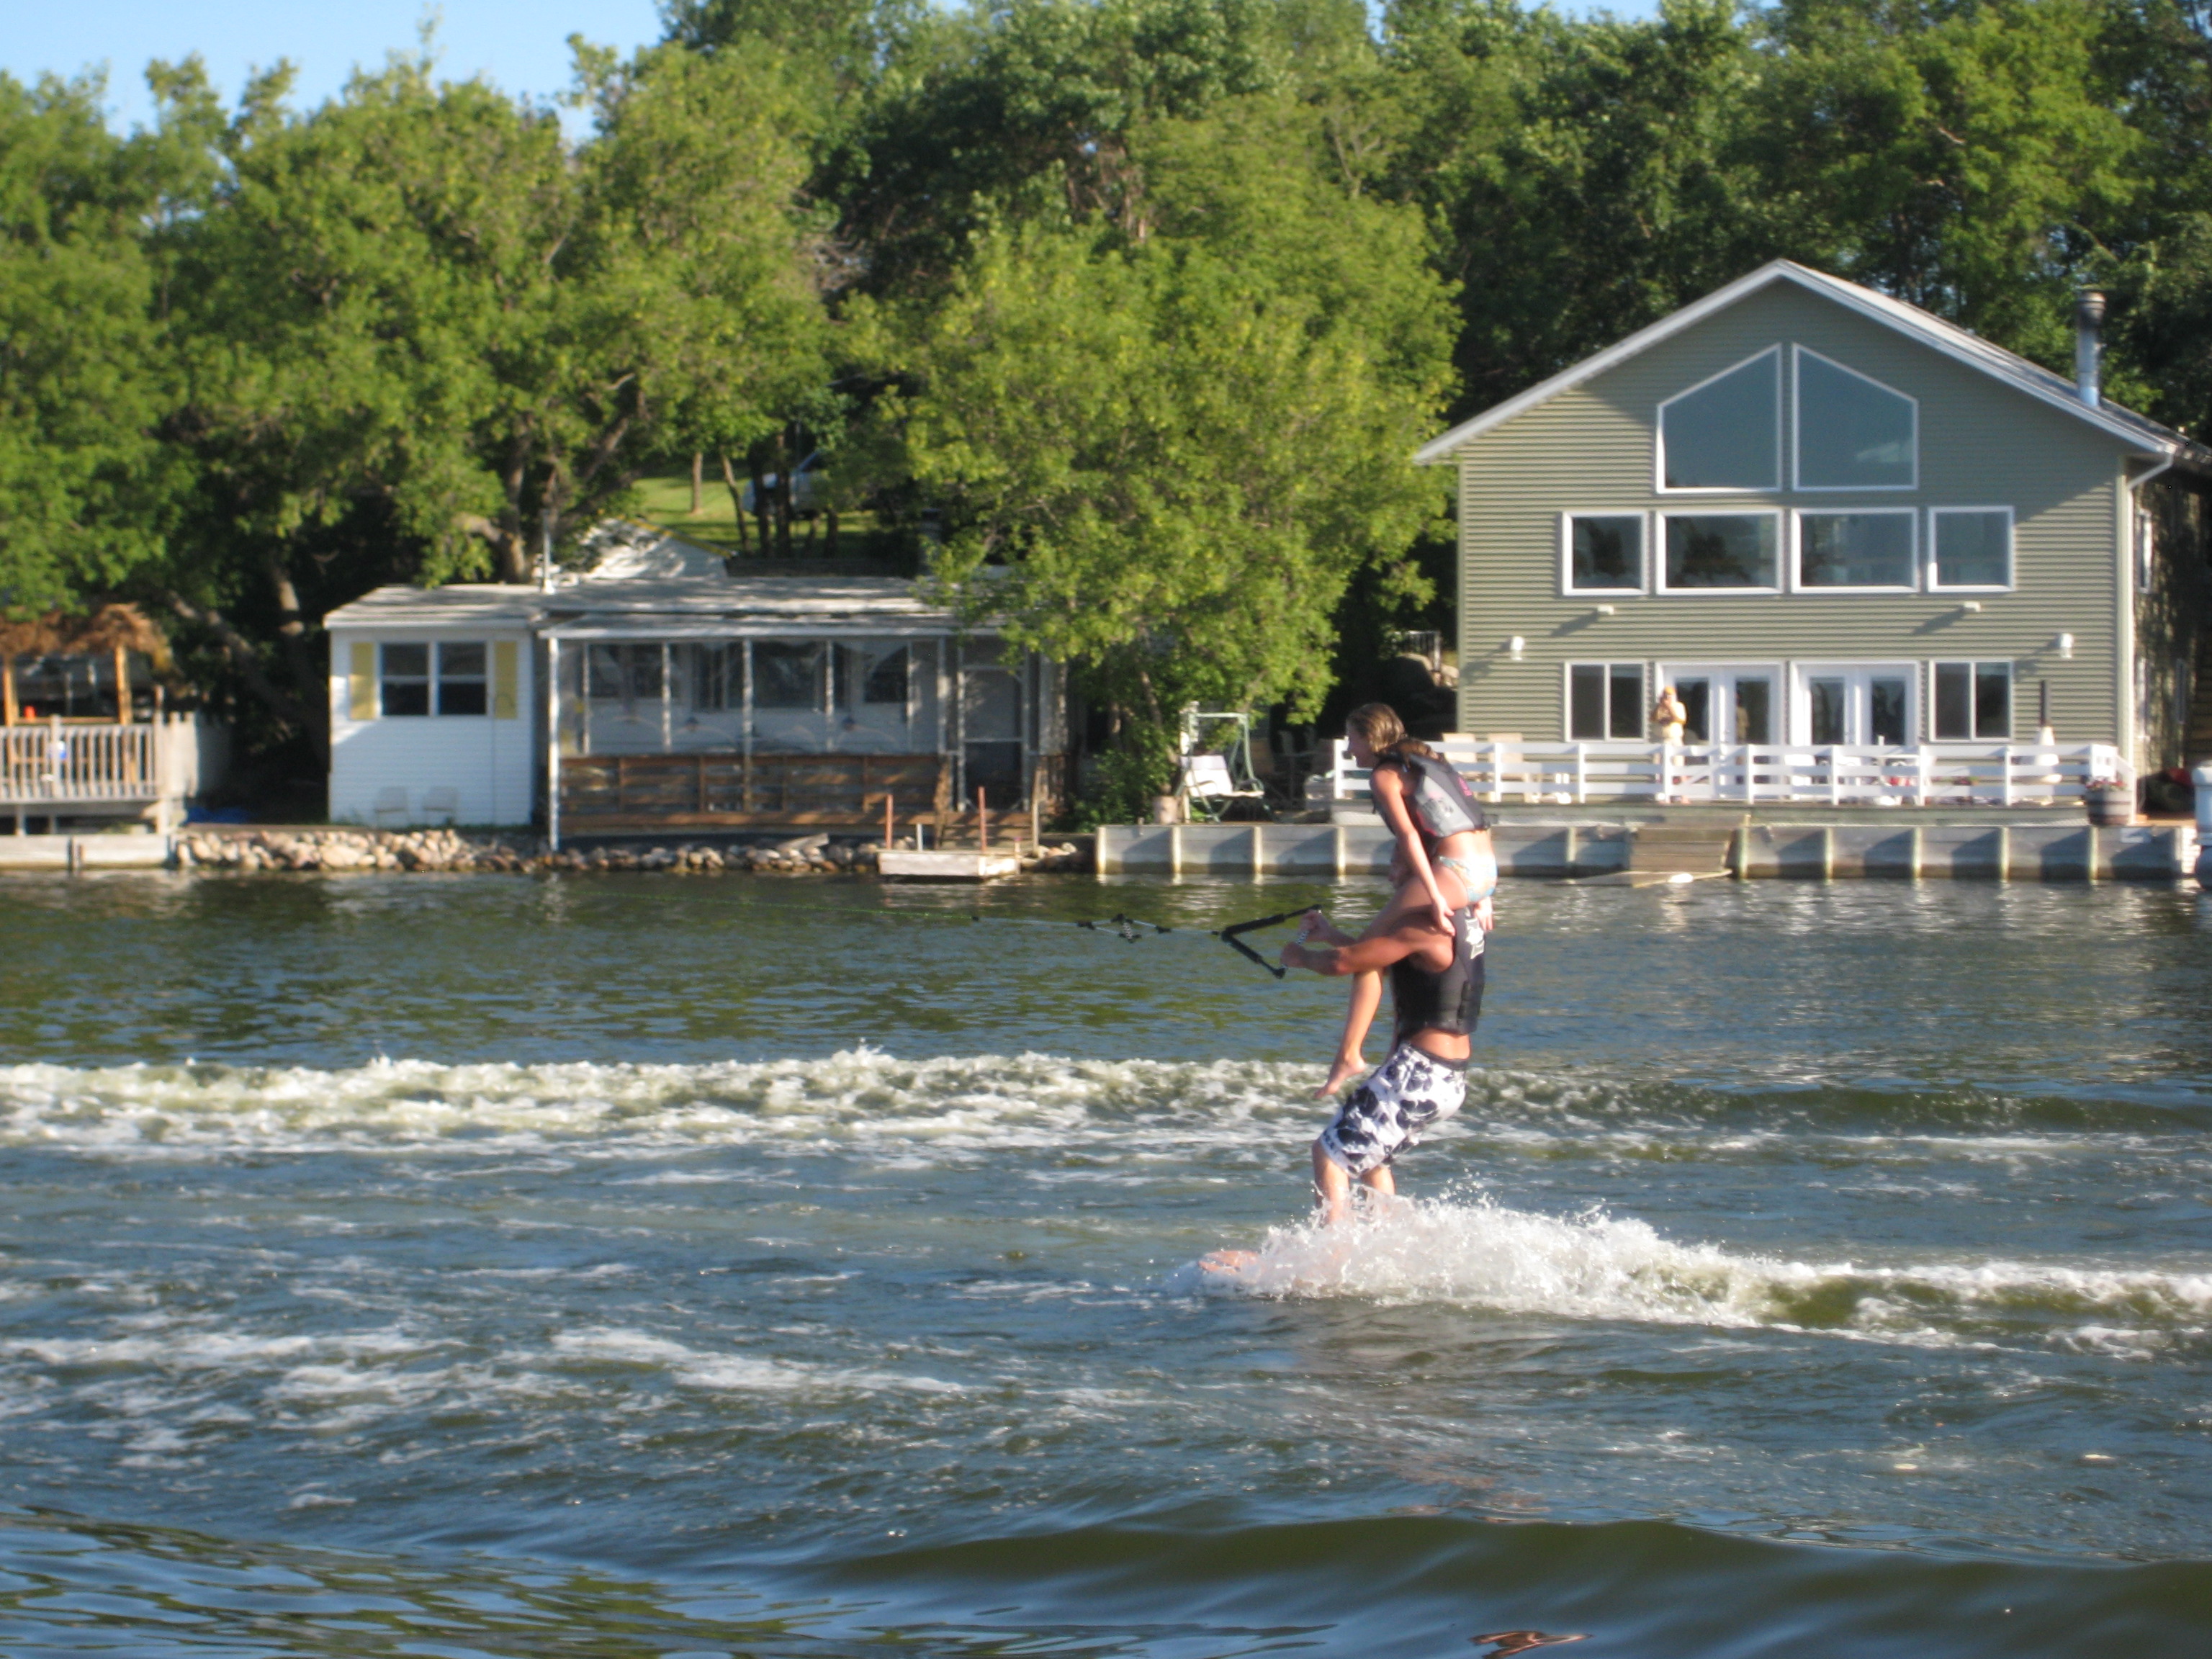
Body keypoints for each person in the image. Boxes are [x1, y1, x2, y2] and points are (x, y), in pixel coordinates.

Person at [1280, 848, 1483, 1225]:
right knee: (1372, 1160)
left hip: (1420, 1072)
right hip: (1446, 1076)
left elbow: (1347, 963)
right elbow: (1383, 959)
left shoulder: (1426, 927)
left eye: (1396, 866)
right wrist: (1331, 935)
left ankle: (1330, 1258)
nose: (1391, 877)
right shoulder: (1461, 919)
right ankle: (1385, 1241)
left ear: (1424, 874)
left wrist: (1301, 957)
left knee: (1329, 1154)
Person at [1322, 703, 1495, 1097]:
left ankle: (1349, 1054)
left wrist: (1435, 893)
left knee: (1367, 955)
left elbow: (1409, 836)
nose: (1350, 750)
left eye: (1352, 739)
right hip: (1484, 869)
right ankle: (1394, 1050)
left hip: (1454, 871)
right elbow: (1472, 817)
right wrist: (1486, 895)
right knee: (1387, 953)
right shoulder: (1425, 760)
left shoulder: (1385, 774)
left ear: (1370, 737)